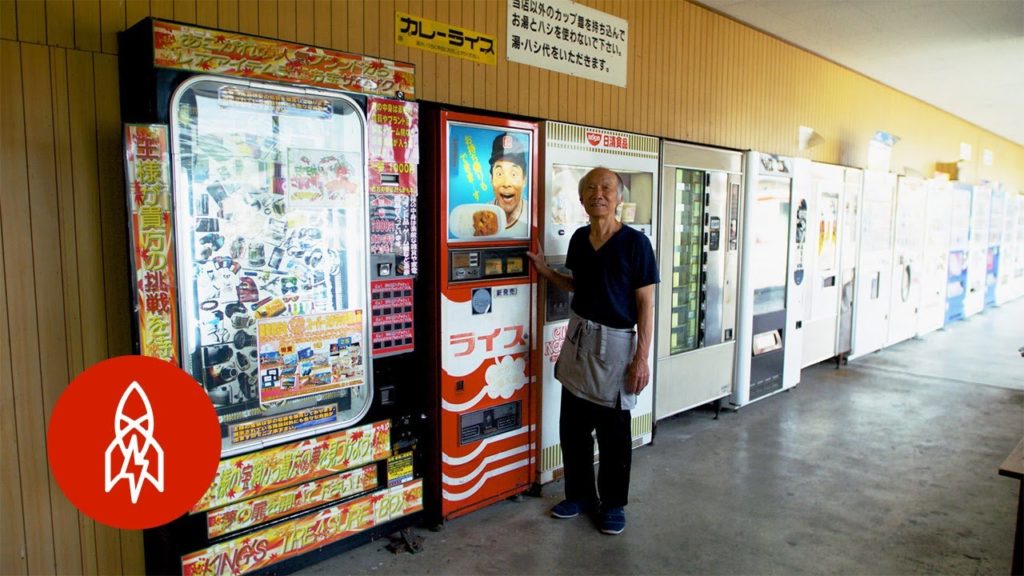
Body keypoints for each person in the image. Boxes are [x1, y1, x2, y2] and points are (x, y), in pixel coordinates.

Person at [526, 167, 658, 536]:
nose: (598, 194)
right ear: (582, 199)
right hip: (578, 337)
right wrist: (545, 271)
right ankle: (581, 495)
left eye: (606, 188)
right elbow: (577, 285)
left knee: (614, 433)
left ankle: (613, 504)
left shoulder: (636, 244)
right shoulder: (581, 239)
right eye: (590, 189)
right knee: (572, 427)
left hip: (617, 345)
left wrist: (641, 358)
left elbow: (646, 303)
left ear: (618, 197)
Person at [488, 133, 529, 237]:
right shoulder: (482, 215)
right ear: (491, 179)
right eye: (500, 174)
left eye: (514, 174)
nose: (506, 183)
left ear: (524, 179)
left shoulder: (532, 217)